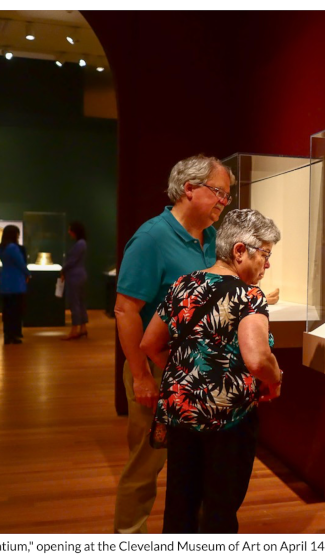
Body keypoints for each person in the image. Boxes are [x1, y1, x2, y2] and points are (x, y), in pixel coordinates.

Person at [113, 154, 235, 534]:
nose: (223, 202)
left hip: (197, 373)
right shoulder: (152, 237)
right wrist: (140, 377)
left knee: (196, 465)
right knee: (146, 464)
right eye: (219, 192)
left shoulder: (214, 239)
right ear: (189, 189)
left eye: (228, 196)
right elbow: (126, 311)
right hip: (154, 367)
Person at [141, 208, 283, 533]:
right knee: (219, 510)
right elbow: (258, 359)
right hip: (228, 420)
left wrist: (191, 373)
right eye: (265, 254)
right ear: (239, 251)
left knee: (180, 505)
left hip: (182, 411)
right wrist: (276, 380)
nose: (268, 263)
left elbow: (150, 344)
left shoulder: (183, 285)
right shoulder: (248, 296)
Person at [0, 225, 30, 344]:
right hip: (15, 282)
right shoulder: (13, 248)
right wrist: (28, 274)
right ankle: (14, 335)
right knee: (16, 310)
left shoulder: (2, 247)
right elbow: (20, 263)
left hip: (5, 281)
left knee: (7, 310)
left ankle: (8, 334)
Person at [61, 221, 89, 340]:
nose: (69, 232)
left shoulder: (79, 244)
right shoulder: (82, 243)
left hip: (74, 276)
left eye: (70, 230)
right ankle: (83, 328)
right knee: (80, 302)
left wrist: (63, 269)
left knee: (75, 303)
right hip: (80, 275)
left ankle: (74, 329)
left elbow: (72, 261)